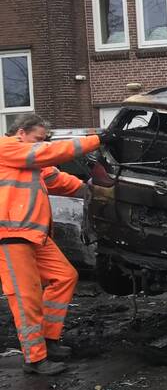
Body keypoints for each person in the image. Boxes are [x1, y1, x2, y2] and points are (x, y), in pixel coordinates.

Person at [0, 114, 108, 374]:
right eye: (38, 139)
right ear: (21, 133)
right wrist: (97, 140)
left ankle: (48, 339)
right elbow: (50, 152)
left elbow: (58, 180)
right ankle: (35, 360)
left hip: (34, 236)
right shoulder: (6, 147)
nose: (42, 143)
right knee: (27, 298)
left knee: (65, 276)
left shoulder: (34, 161)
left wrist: (94, 190)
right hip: (11, 235)